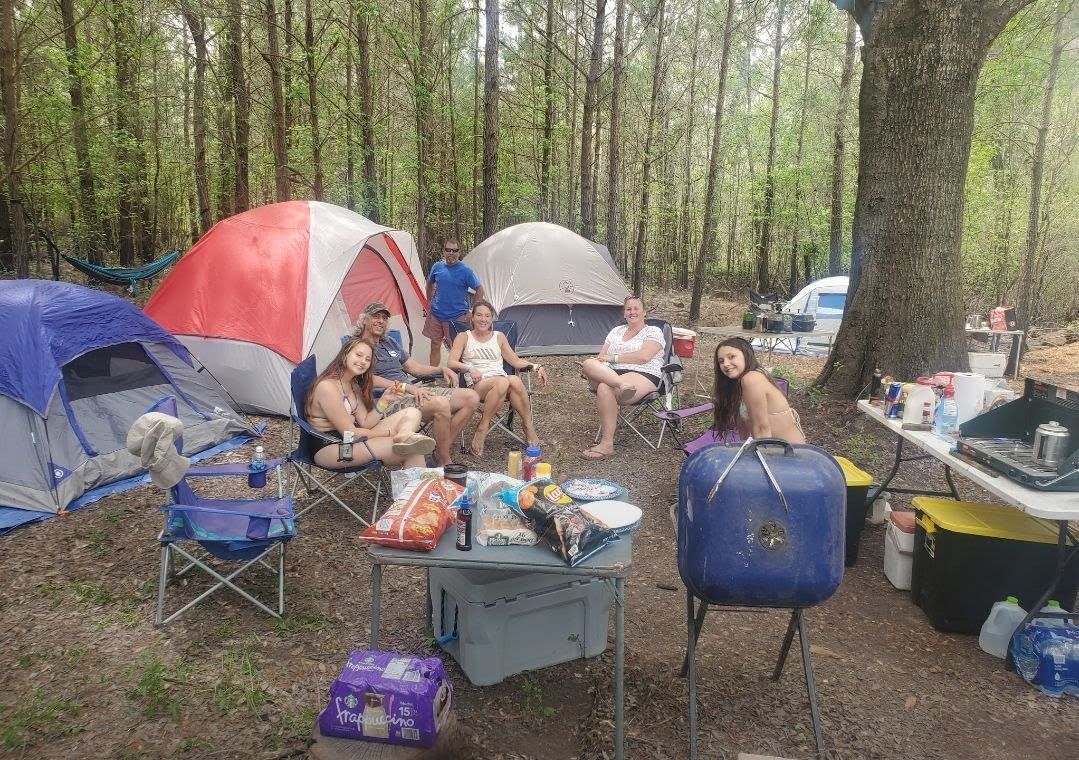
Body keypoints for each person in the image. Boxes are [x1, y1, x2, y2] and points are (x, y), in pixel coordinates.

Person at [354, 301, 480, 466]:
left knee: (471, 397)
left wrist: (441, 370)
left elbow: (415, 368)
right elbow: (366, 378)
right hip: (386, 401)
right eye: (375, 317)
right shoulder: (356, 346)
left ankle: (439, 451)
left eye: (384, 318)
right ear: (364, 320)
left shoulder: (389, 342)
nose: (380, 321)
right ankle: (444, 460)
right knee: (441, 404)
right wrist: (407, 387)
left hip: (413, 392)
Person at [304, 338, 437, 470]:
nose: (363, 361)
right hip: (333, 447)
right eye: (359, 355)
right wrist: (389, 433)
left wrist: (384, 400)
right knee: (411, 449)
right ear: (345, 355)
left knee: (412, 412)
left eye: (367, 359)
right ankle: (418, 488)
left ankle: (404, 434)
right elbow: (351, 433)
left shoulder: (352, 384)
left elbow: (365, 422)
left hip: (351, 439)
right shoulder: (327, 387)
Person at [447, 301, 548, 457]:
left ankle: (527, 426)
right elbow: (451, 362)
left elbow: (515, 361)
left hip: (501, 383)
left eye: (487, 316)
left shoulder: (499, 337)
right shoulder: (463, 337)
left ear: (492, 319)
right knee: (506, 380)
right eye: (479, 315)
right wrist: (470, 368)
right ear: (472, 317)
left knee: (513, 380)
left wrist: (536, 366)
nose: (483, 319)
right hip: (478, 385)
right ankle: (483, 427)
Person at [579, 295, 666, 460]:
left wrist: (614, 358)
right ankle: (621, 385)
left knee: (604, 387)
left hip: (644, 373)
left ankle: (606, 444)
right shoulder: (615, 331)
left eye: (636, 308)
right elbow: (601, 357)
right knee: (588, 363)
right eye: (628, 309)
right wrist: (595, 367)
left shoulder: (653, 331)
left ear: (644, 312)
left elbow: (644, 357)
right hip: (613, 375)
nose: (632, 312)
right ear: (624, 313)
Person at [713, 337, 805, 444]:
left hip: (786, 453)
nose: (726, 364)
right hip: (771, 447)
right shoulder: (739, 382)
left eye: (731, 357)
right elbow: (744, 427)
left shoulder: (751, 379)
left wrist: (763, 457)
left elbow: (762, 428)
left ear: (746, 355)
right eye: (721, 361)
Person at [424, 239, 484, 366]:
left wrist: (472, 310)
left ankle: (457, 379)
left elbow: (479, 289)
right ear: (444, 251)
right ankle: (431, 377)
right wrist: (429, 301)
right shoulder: (437, 267)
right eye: (448, 250)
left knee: (456, 349)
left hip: (456, 317)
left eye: (455, 250)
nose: (451, 253)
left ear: (459, 252)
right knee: (435, 345)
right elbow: (429, 283)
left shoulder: (465, 271)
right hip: (436, 314)